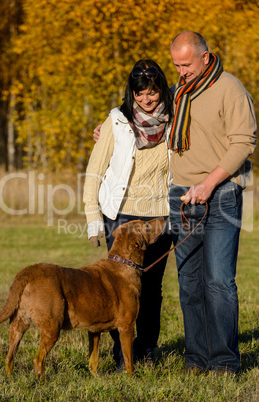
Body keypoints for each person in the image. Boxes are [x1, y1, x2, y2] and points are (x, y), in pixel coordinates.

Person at [168, 31, 257, 375]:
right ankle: (197, 359)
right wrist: (108, 128)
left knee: (218, 281)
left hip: (219, 196)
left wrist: (208, 183)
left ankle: (223, 362)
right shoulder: (180, 92)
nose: (180, 71)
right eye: (176, 65)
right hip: (181, 195)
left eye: (186, 64)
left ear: (205, 58)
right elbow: (148, 117)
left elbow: (243, 142)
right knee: (189, 284)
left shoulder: (230, 88)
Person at [83, 59, 173, 369]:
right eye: (140, 94)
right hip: (119, 215)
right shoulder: (117, 121)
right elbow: (94, 171)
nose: (147, 100)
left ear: (161, 88)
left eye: (152, 92)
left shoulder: (176, 120)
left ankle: (145, 350)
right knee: (118, 289)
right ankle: (123, 355)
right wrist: (93, 219)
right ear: (131, 93)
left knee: (151, 289)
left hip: (159, 216)